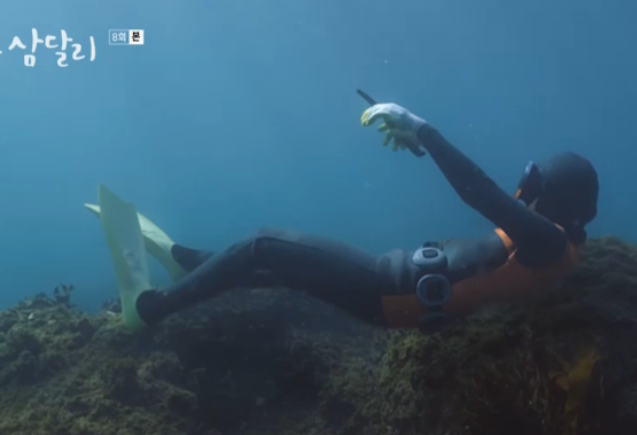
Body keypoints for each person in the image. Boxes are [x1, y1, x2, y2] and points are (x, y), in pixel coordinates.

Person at [89, 102, 599, 332]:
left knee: (265, 243)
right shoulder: (558, 245)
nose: (524, 189)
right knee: (273, 268)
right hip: (394, 294)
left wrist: (422, 128)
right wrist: (419, 143)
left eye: (534, 182)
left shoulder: (549, 243)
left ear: (552, 195)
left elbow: (480, 192)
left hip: (385, 285)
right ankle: (188, 263)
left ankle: (151, 309)